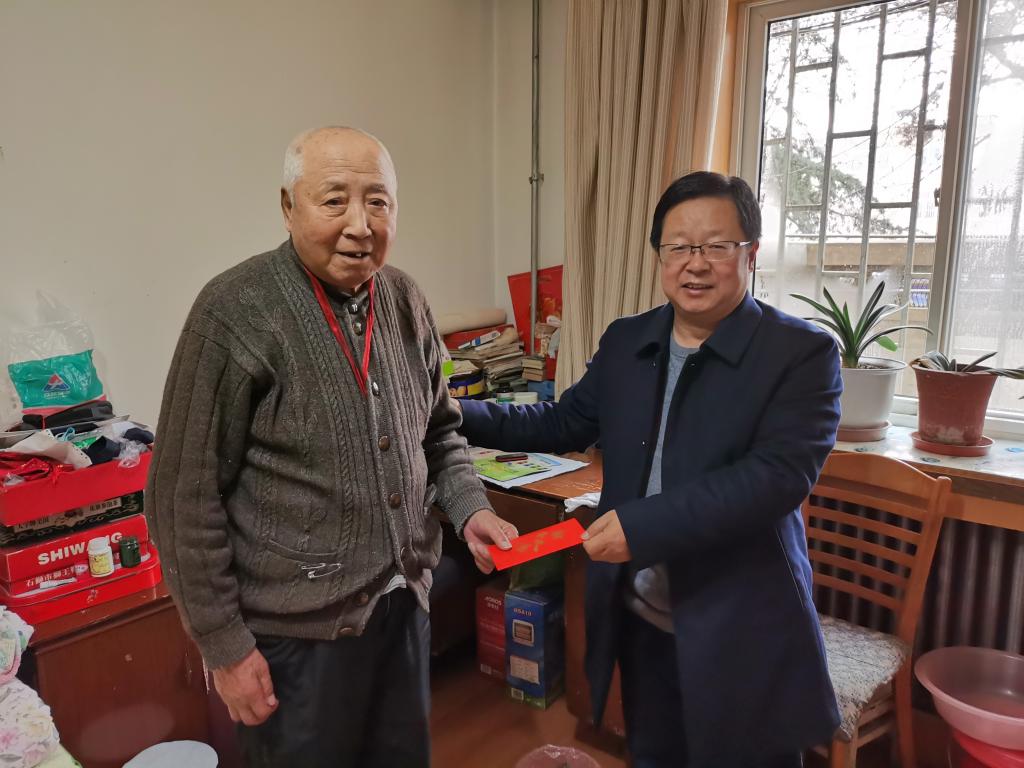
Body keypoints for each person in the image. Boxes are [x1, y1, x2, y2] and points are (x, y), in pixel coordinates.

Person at [147, 126, 517, 768]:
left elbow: (439, 433)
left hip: (403, 608)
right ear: (288, 207)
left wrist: (470, 507)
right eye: (334, 200)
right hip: (294, 640)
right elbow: (181, 495)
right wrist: (225, 647)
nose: (359, 225)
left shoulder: (404, 298)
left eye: (378, 202)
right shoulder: (233, 311)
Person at [458, 172, 843, 768]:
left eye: (717, 245)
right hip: (642, 617)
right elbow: (562, 422)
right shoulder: (629, 340)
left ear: (751, 252)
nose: (696, 263)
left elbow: (776, 478)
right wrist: (455, 412)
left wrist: (642, 526)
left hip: (741, 625)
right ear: (660, 256)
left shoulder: (801, 353)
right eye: (678, 247)